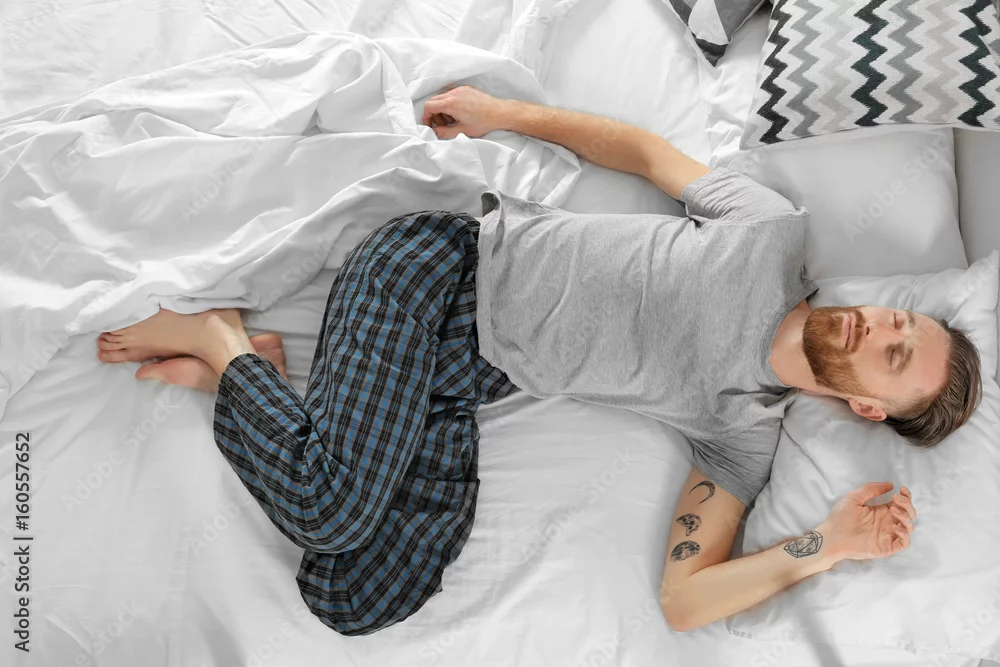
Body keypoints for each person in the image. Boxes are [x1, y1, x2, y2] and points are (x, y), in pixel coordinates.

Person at [95, 86, 983, 635]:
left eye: (896, 354)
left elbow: (684, 600)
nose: (880, 324)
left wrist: (828, 544)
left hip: (458, 383)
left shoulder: (742, 432)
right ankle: (219, 340)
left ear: (869, 408)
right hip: (437, 274)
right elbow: (646, 155)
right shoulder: (770, 231)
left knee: (357, 595)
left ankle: (246, 379)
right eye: (901, 318)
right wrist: (504, 114)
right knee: (330, 509)